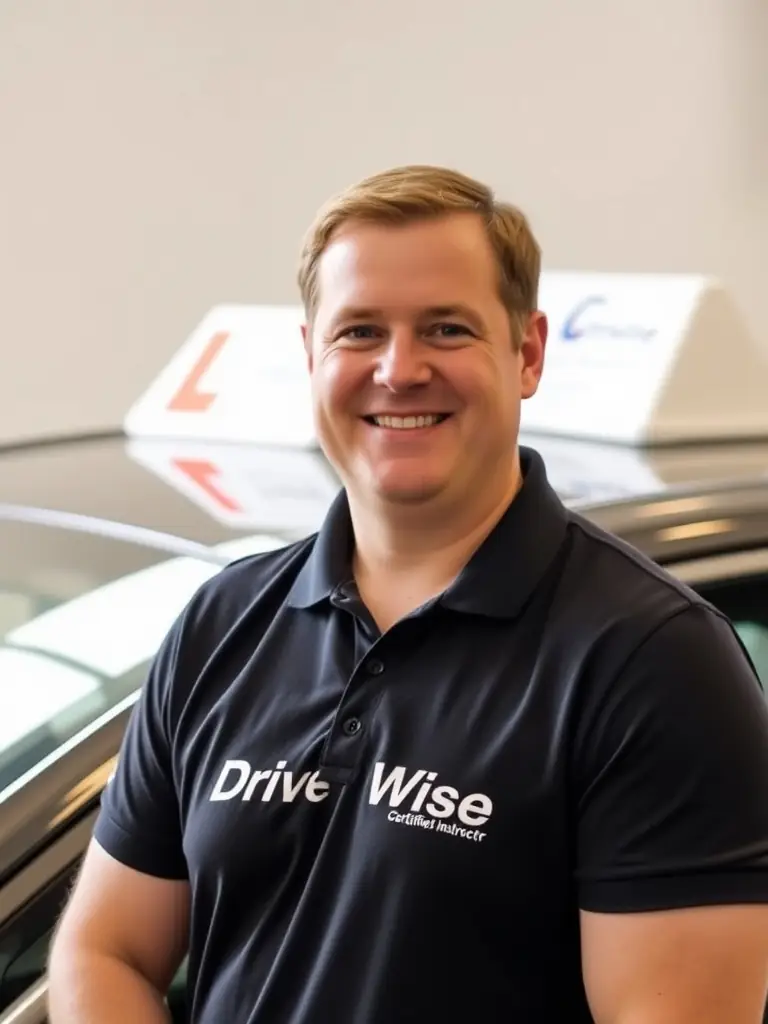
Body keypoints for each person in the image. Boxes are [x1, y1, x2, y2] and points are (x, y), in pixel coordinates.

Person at [48, 165, 768, 1023]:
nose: (399, 369)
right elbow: (107, 952)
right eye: (359, 332)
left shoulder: (652, 659)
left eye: (447, 329)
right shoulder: (221, 623)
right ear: (310, 354)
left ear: (527, 352)